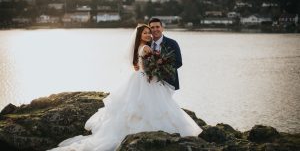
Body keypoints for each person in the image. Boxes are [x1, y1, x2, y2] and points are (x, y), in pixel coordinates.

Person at [48, 24, 202, 151]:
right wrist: (158, 67)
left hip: (141, 79)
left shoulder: (141, 47)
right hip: (146, 81)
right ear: (140, 35)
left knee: (138, 107)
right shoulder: (147, 48)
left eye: (150, 32)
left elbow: (140, 66)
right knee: (152, 107)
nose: (149, 34)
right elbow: (149, 68)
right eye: (146, 32)